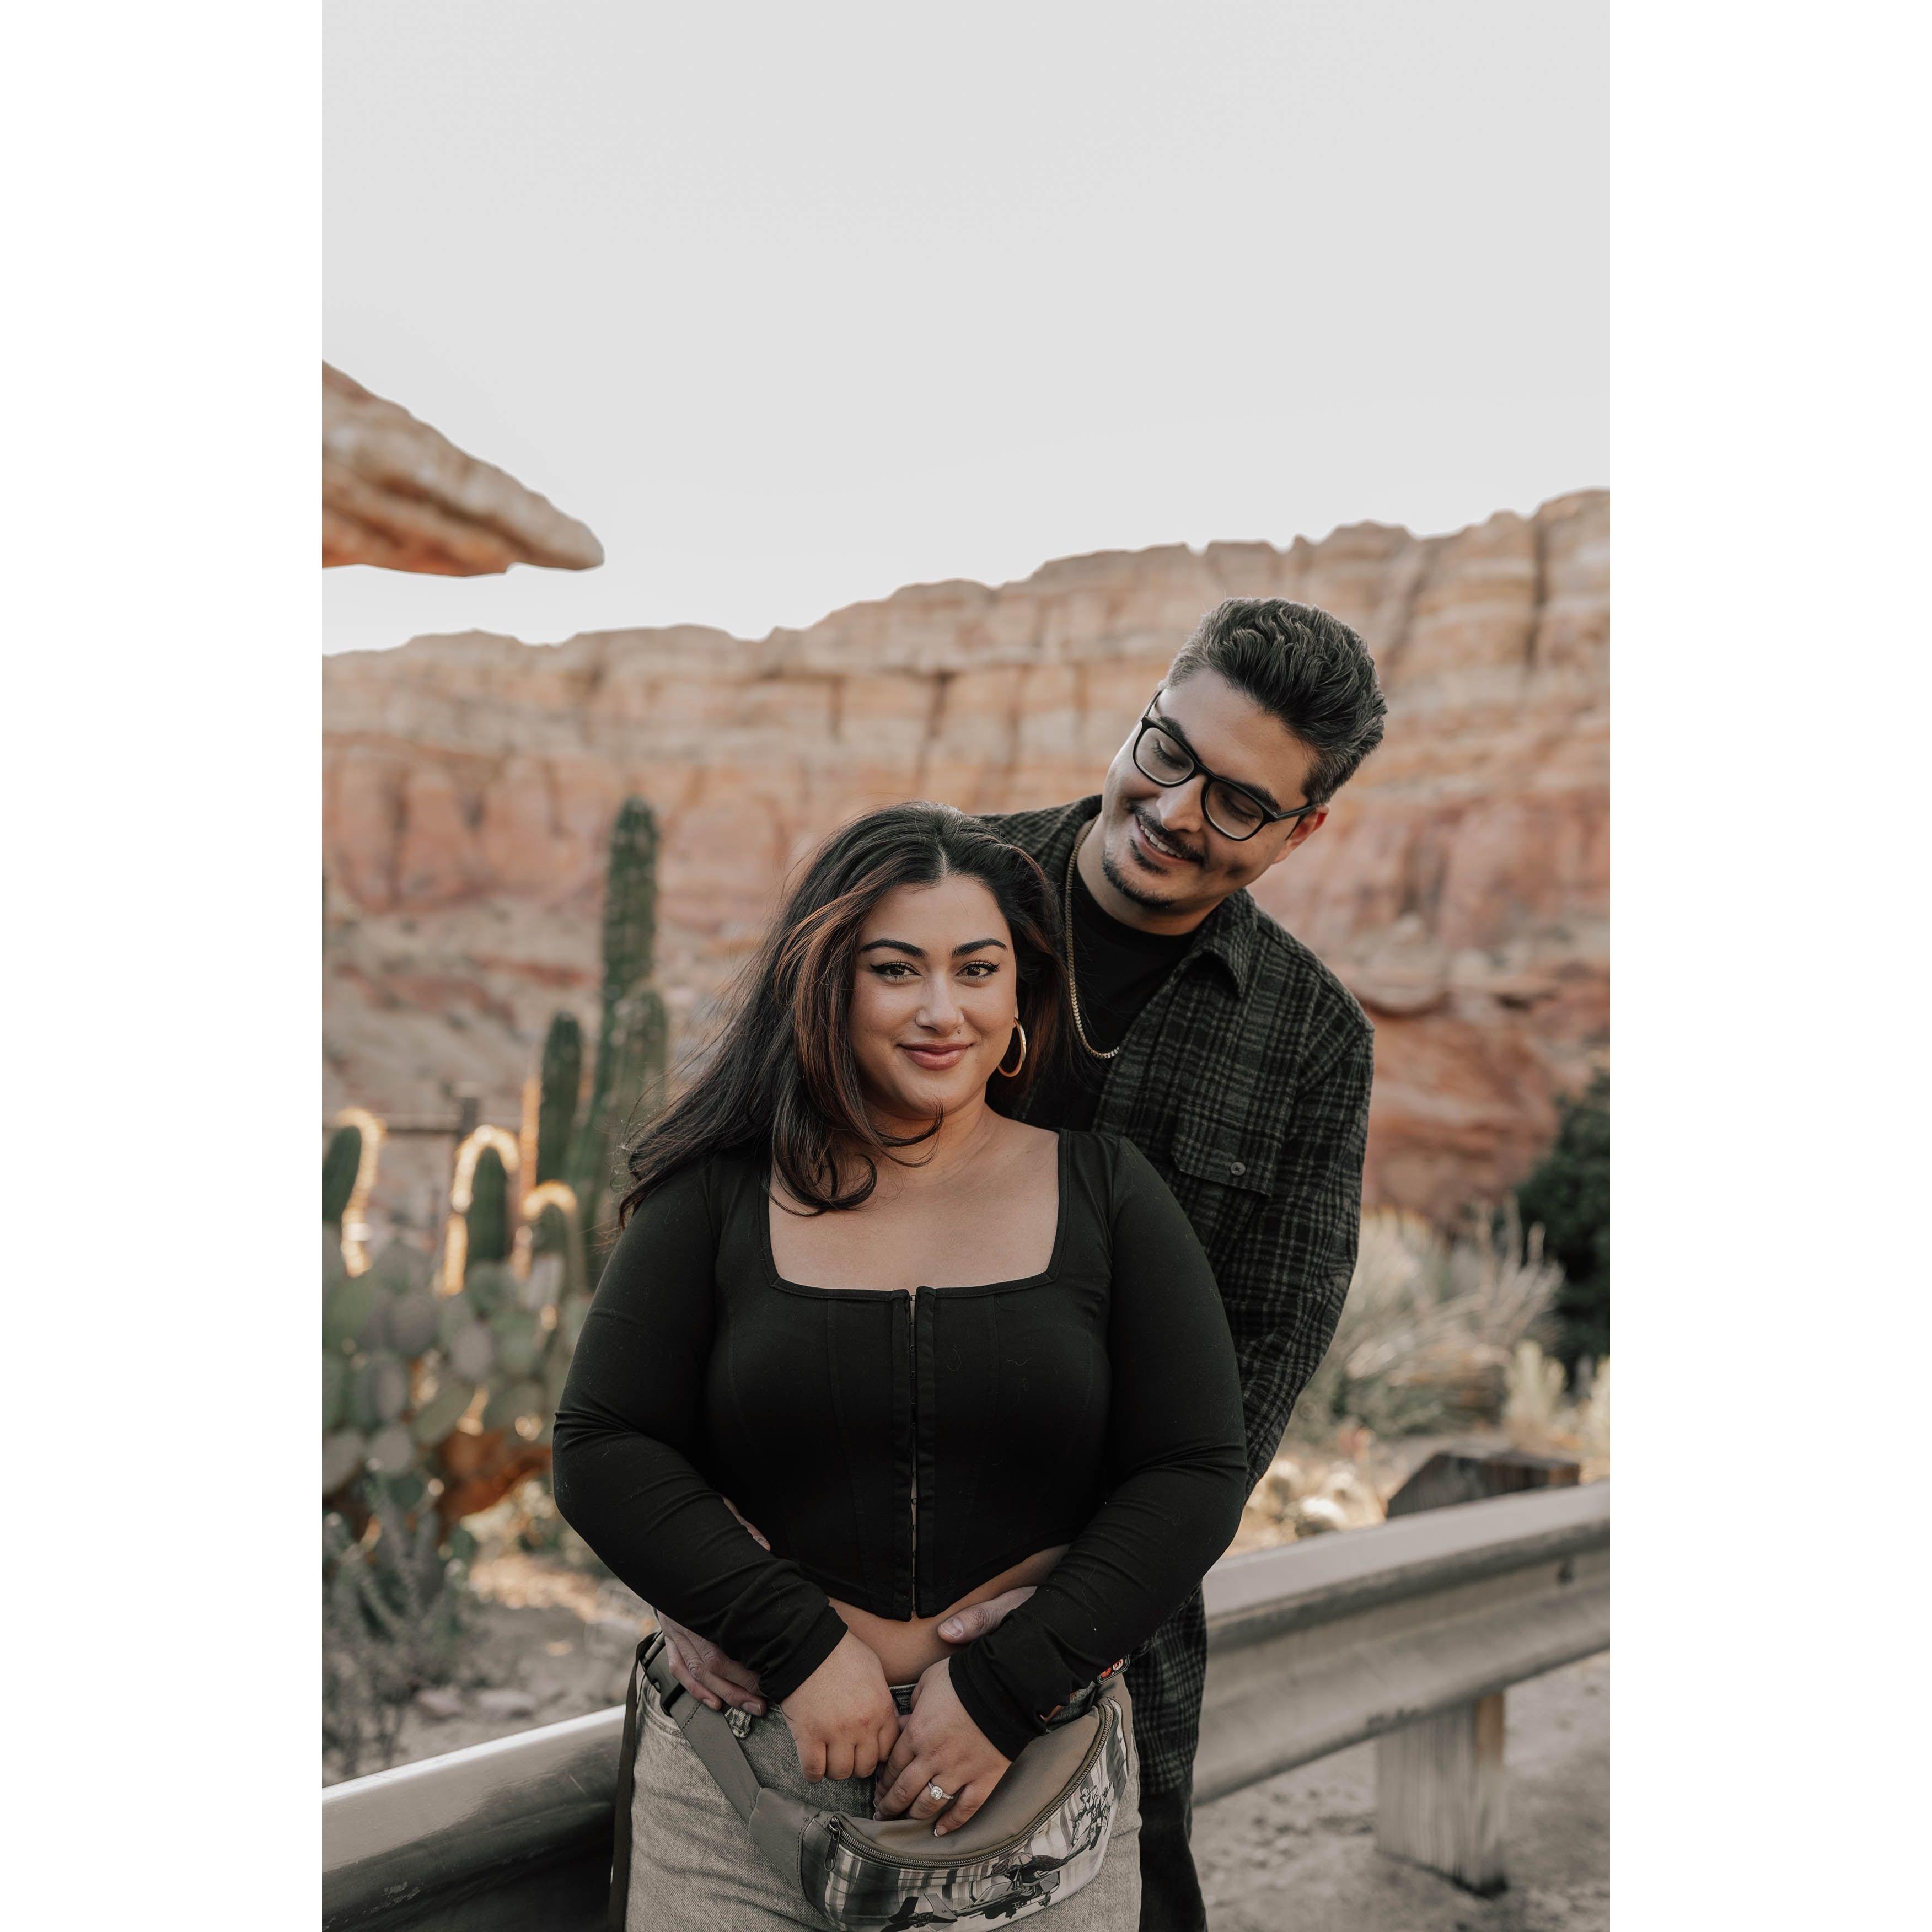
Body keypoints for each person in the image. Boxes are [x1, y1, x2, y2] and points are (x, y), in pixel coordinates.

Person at [654, 597, 1388, 1931]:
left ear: (1304, 830)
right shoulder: (933, 893)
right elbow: (717, 1228)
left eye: (1239, 803)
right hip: (781, 1641)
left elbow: (1253, 1381)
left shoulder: (1310, 1044)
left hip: (1092, 1657)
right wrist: (703, 1571)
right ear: (1145, 711)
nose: (1175, 811)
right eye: (1169, 752)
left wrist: (1048, 1641)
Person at [551, 803, 1250, 1929]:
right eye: (895, 970)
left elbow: (1195, 1466)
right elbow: (601, 1444)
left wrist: (1007, 1687)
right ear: (828, 985)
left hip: (1032, 1784)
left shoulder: (1110, 1194)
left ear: (1018, 995)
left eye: (978, 969)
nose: (941, 1010)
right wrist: (796, 1647)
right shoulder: (715, 1196)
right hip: (738, 1788)